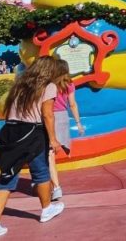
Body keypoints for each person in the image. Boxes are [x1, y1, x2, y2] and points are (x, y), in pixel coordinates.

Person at [0, 56, 68, 240]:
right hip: (33, 132)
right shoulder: (48, 86)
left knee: (6, 178)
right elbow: (47, 115)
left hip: (11, 131)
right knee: (41, 172)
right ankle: (46, 209)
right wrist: (53, 139)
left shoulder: (20, 85)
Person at [47, 73, 84, 202]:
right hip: (63, 117)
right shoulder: (69, 84)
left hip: (50, 116)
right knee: (51, 154)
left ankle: (55, 187)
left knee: (49, 154)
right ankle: (51, 185)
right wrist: (78, 123)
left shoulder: (49, 84)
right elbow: (72, 104)